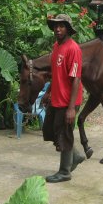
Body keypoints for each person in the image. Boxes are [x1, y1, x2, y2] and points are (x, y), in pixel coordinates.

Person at [41, 14, 85, 183]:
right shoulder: (56, 46)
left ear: (68, 28)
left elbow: (76, 79)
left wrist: (71, 108)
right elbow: (55, 74)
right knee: (50, 131)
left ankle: (65, 171)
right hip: (56, 99)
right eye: (55, 26)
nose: (57, 29)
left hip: (68, 101)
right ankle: (75, 156)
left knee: (64, 136)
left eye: (61, 26)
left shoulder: (73, 49)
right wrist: (48, 92)